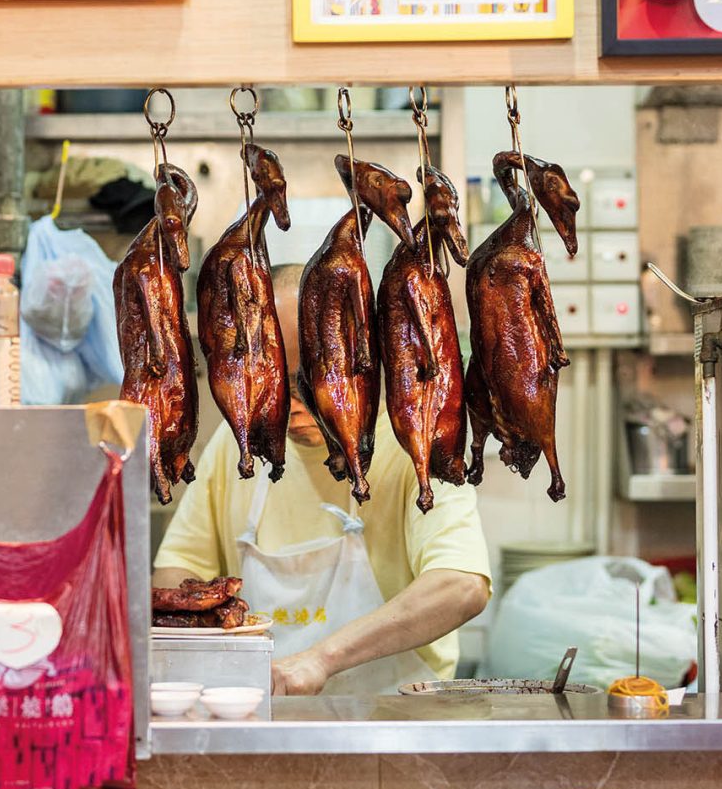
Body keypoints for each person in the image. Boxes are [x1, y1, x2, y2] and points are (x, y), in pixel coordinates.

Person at [153, 264, 491, 695]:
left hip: (395, 719)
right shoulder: (234, 445)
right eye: (271, 387)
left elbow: (461, 585)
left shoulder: (418, 439)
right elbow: (178, 570)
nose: (290, 407)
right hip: (264, 709)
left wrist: (321, 659)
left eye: (309, 385)